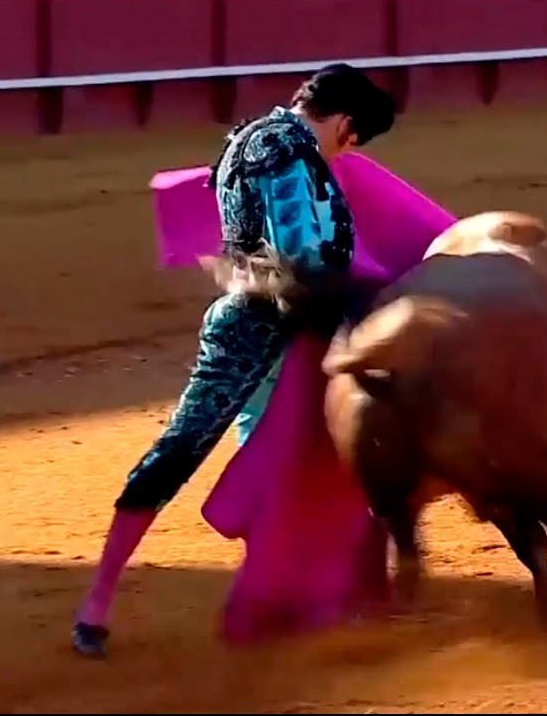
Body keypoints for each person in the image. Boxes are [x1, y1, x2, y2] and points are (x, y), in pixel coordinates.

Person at [70, 63, 398, 658]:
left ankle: (287, 593)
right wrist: (371, 302)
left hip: (287, 329)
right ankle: (96, 604)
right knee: (187, 450)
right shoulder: (282, 145)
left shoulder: (254, 138)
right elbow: (302, 256)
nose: (346, 153)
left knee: (283, 461)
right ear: (345, 123)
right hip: (258, 328)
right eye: (352, 140)